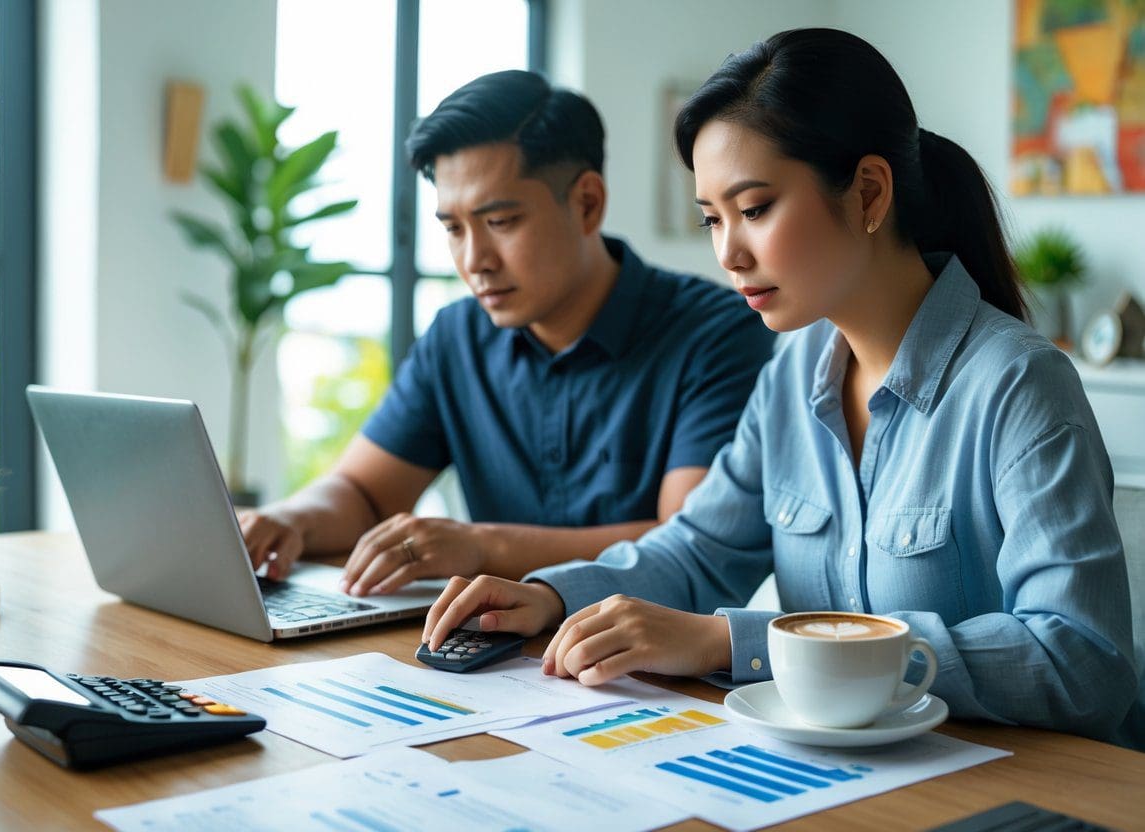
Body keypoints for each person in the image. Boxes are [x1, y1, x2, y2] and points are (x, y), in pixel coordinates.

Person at [422, 29, 1143, 749]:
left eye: (755, 208)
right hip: (839, 782)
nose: (728, 253)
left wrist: (735, 643)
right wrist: (551, 594)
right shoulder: (791, 374)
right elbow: (699, 550)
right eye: (712, 218)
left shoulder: (1017, 383)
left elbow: (1081, 661)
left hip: (1013, 783)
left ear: (867, 192)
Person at [239, 70, 775, 597]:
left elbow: (686, 544)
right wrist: (288, 521)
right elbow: (363, 491)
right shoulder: (457, 337)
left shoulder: (716, 333)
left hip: (653, 667)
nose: (474, 261)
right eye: (453, 228)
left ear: (587, 203)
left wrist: (482, 547)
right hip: (488, 653)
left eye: (500, 222)